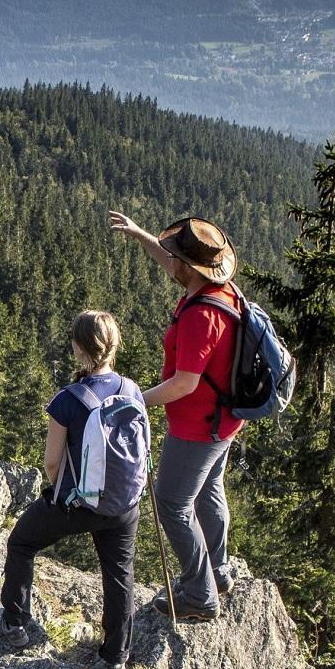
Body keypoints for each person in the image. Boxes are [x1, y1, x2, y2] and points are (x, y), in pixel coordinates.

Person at [108, 212, 241, 623]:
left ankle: (200, 595)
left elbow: (185, 383)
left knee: (172, 503)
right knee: (208, 490)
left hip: (197, 427)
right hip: (223, 420)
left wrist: (133, 400)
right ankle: (216, 571)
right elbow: (171, 263)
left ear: (189, 267)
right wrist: (139, 234)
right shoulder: (221, 290)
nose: (170, 263)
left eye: (175, 258)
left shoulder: (202, 315)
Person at [0, 310, 144, 669]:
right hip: (124, 504)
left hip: (78, 504)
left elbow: (51, 464)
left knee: (21, 542)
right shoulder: (132, 390)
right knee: (118, 575)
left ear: (78, 349)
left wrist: (65, 496)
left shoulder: (68, 399)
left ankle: (16, 622)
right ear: (114, 345)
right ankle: (115, 658)